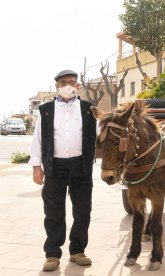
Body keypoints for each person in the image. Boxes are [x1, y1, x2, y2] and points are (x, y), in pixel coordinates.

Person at [28, 70, 97, 271]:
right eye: (64, 82)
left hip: (81, 166)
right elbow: (38, 139)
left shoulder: (88, 109)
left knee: (83, 211)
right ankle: (52, 254)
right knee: (54, 212)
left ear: (77, 86)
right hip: (54, 166)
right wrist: (36, 167)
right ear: (57, 85)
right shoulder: (46, 110)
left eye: (72, 82)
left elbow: (101, 132)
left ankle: (77, 251)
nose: (68, 85)